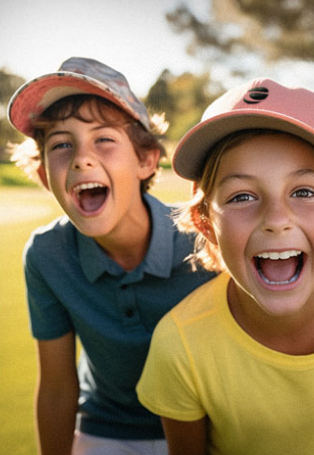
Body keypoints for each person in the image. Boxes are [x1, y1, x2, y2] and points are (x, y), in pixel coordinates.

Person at [136, 78, 314, 455]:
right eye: (242, 196)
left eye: (303, 192)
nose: (276, 219)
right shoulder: (179, 344)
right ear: (205, 224)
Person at [7, 57, 214, 455]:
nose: (82, 158)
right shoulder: (46, 254)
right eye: (62, 145)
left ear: (146, 160)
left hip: (204, 425)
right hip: (104, 426)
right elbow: (56, 386)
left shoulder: (203, 241)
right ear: (44, 176)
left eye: (103, 139)